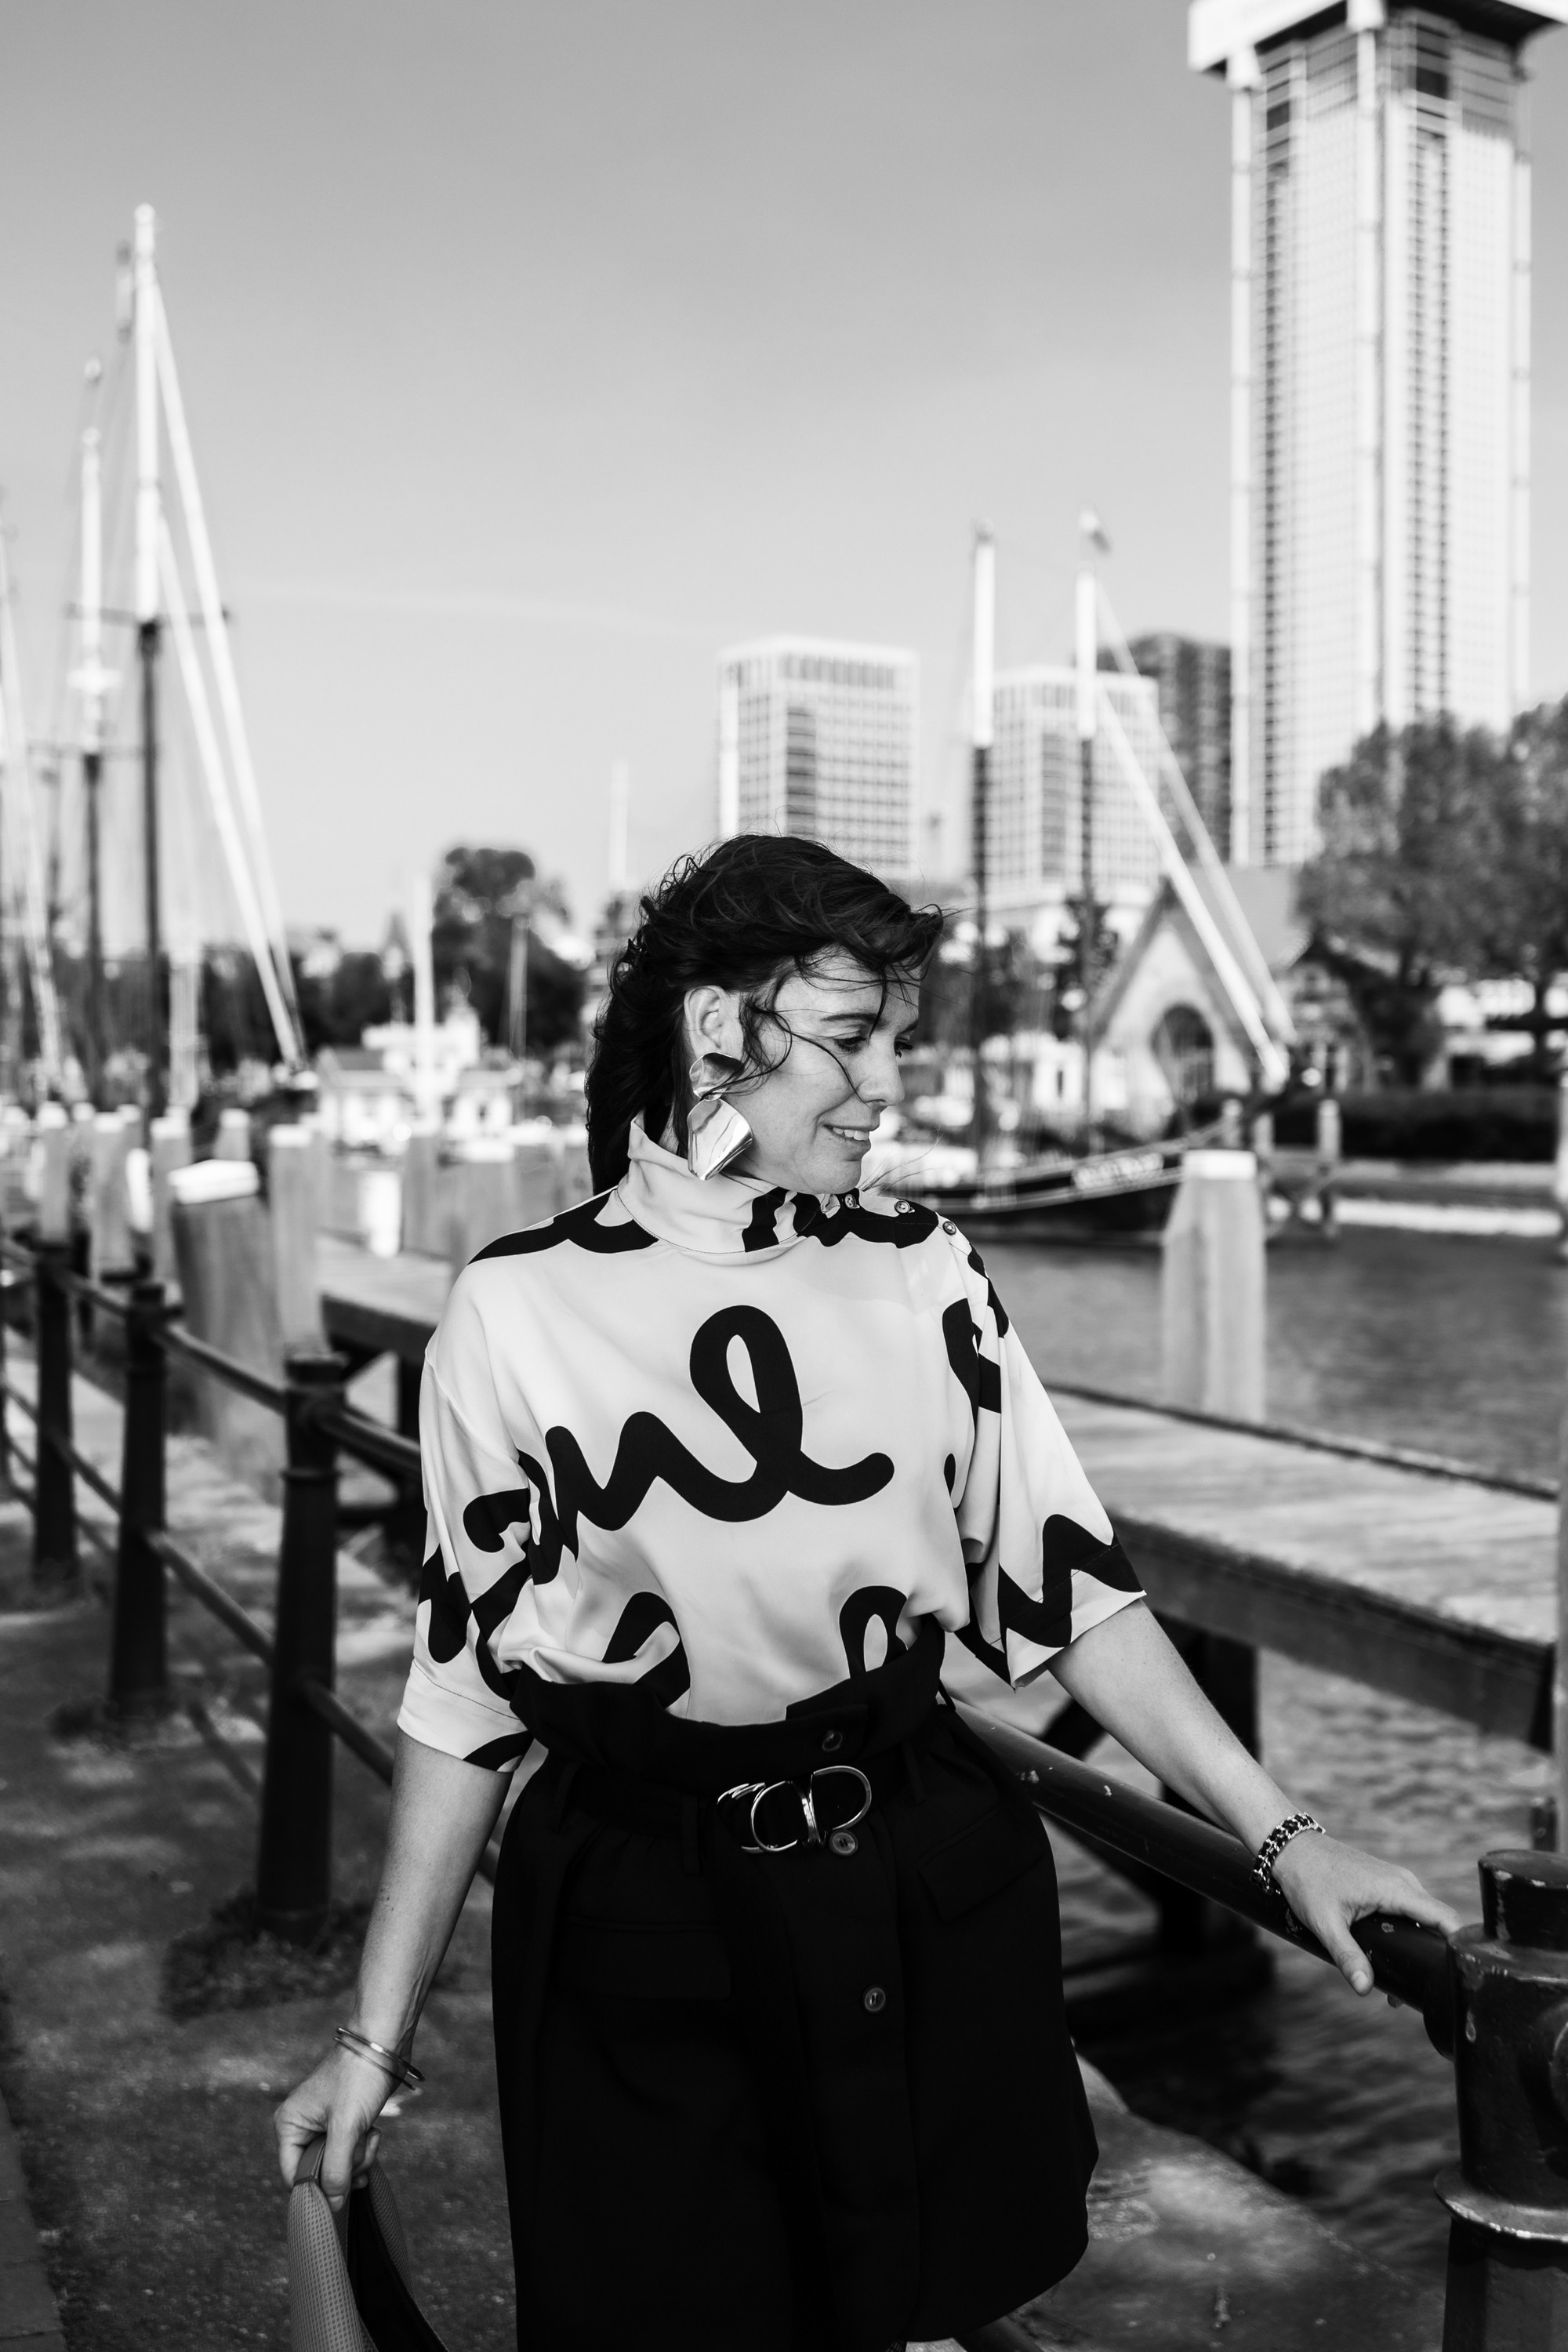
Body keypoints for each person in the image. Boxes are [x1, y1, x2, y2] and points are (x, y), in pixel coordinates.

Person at [275, 833, 1459, 2352]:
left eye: (896, 1037)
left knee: (916, 2312)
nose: (888, 1084)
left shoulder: (927, 1271)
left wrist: (1286, 1840)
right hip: (642, 1936)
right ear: (720, 1027)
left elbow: (1069, 1593)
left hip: (915, 1897)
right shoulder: (513, 1312)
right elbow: (464, 1695)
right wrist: (371, 2043)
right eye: (851, 1036)